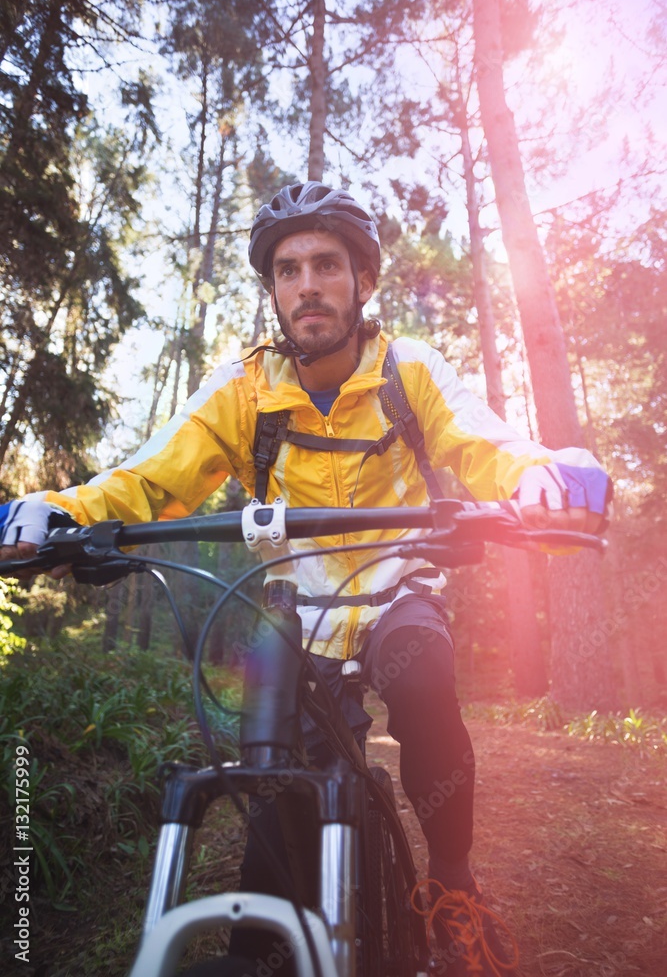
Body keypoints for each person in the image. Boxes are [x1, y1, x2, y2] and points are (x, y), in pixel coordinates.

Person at [0, 182, 611, 976]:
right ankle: (258, 946)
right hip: (298, 608)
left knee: (424, 682)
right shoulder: (245, 391)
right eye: (287, 270)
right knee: (271, 769)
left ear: (363, 282)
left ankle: (454, 882)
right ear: (273, 288)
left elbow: (483, 440)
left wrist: (544, 474)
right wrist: (61, 511)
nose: (306, 285)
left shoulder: (408, 371)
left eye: (326, 264)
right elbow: (151, 477)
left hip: (399, 591)